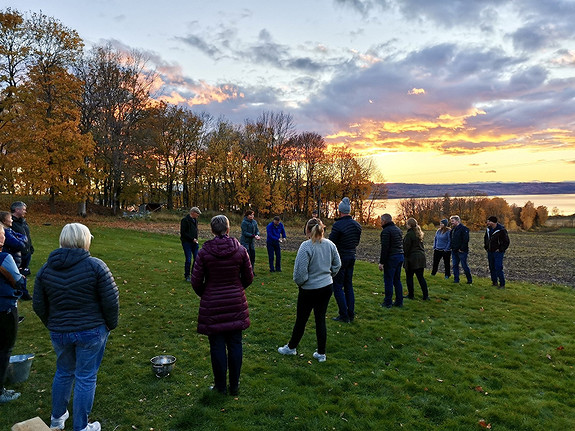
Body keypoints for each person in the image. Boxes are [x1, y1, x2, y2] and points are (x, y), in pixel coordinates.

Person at [33, 223, 119, 431]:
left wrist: (53, 324)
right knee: (85, 376)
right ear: (85, 240)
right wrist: (110, 324)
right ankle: (80, 426)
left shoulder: (46, 269)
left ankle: (57, 418)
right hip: (90, 331)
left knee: (64, 371)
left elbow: (39, 304)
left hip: (63, 332)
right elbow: (111, 302)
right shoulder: (96, 266)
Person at [191, 215, 253, 395]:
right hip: (234, 302)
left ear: (212, 230)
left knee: (217, 345)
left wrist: (208, 293)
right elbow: (248, 277)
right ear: (228, 229)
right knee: (235, 344)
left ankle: (220, 386)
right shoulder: (240, 250)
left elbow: (196, 281)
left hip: (213, 304)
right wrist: (236, 288)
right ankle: (234, 385)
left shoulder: (204, 252)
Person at [278, 218, 341, 363]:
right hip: (326, 288)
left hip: (309, 289)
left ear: (307, 230)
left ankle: (291, 347)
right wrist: (328, 276)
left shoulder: (306, 246)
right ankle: (321, 353)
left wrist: (303, 283)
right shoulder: (330, 245)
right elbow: (337, 265)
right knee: (320, 319)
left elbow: (300, 274)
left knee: (301, 319)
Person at [0, 226, 27, 404]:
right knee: (4, 349)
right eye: (1, 235)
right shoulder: (3, 258)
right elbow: (17, 281)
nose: (3, 237)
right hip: (4, 309)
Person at [329, 197, 362, 322]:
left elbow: (331, 243)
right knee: (348, 285)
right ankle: (351, 313)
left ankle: (344, 315)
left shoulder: (338, 225)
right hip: (351, 256)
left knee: (337, 287)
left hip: (340, 257)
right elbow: (356, 242)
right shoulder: (357, 225)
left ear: (340, 211)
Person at [0, 211, 31, 300]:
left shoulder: (10, 231)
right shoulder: (7, 232)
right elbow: (19, 244)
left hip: (15, 258)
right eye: (10, 219)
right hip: (11, 259)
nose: (12, 221)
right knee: (16, 277)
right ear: (4, 221)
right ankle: (21, 294)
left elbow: (23, 236)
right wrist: (22, 240)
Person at [378, 214, 404, 308]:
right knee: (397, 280)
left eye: (381, 220)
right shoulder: (398, 229)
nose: (380, 222)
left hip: (391, 257)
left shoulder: (386, 231)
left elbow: (385, 248)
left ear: (384, 221)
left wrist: (381, 262)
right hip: (400, 256)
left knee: (388, 280)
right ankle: (399, 301)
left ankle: (388, 302)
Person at [403, 218, 429, 300]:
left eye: (407, 224)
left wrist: (405, 256)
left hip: (412, 258)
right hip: (421, 257)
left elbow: (406, 248)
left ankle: (411, 295)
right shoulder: (418, 233)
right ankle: (425, 296)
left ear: (409, 225)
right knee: (421, 277)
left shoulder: (409, 235)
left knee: (409, 277)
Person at [484, 216, 510, 289]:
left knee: (498, 267)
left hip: (498, 252)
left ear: (493, 222)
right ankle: (494, 282)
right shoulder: (488, 229)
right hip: (490, 251)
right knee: (491, 267)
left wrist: (500, 249)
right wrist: (486, 247)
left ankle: (502, 284)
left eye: (488, 221)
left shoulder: (501, 230)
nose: (487, 223)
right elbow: (486, 238)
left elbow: (506, 242)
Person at [10, 201, 33, 276]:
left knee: (24, 273)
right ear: (17, 210)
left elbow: (27, 235)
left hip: (27, 252)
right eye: (23, 209)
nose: (25, 212)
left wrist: (30, 247)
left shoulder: (23, 222)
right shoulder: (10, 222)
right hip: (17, 253)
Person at [450, 215, 472, 284]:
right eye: (451, 221)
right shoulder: (453, 230)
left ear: (457, 221)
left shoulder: (464, 229)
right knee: (455, 265)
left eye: (453, 221)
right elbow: (452, 239)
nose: (451, 223)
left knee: (464, 265)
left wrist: (461, 249)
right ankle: (456, 280)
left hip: (461, 251)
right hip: (454, 250)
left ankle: (469, 280)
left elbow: (466, 240)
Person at [180, 207, 201, 282]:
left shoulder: (195, 221)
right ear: (193, 212)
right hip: (187, 243)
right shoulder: (185, 220)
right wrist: (192, 239)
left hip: (195, 243)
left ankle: (194, 274)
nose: (198, 215)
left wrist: (196, 239)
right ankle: (187, 275)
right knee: (188, 259)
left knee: (197, 259)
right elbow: (183, 233)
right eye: (197, 213)